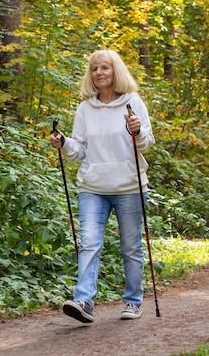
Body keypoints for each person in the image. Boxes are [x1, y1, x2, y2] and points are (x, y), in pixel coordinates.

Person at [50, 49, 155, 322]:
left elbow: (146, 143)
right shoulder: (85, 108)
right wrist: (64, 143)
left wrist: (137, 130)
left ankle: (133, 301)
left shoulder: (133, 103)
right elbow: (79, 150)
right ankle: (83, 301)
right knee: (89, 244)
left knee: (130, 247)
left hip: (129, 186)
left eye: (105, 68)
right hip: (93, 187)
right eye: (95, 69)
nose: (99, 73)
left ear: (115, 71)